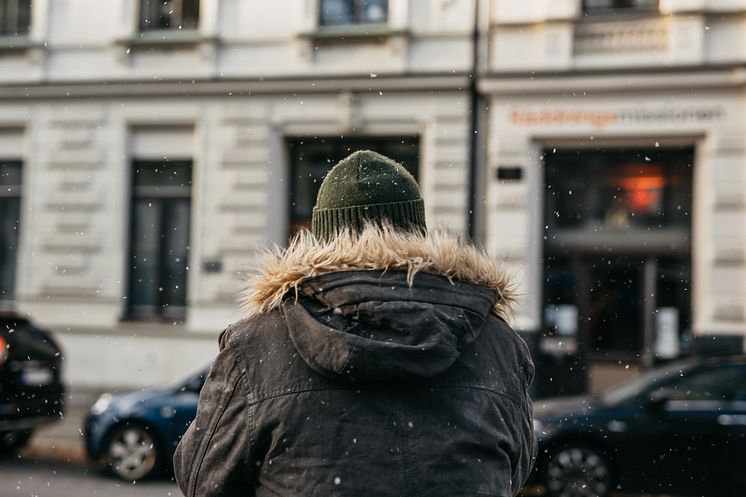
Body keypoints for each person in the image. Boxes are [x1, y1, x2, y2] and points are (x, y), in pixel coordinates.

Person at [173, 150, 536, 497]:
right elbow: (515, 467)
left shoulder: (257, 345)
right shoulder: (498, 344)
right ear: (418, 233)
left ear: (319, 237)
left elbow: (204, 477)